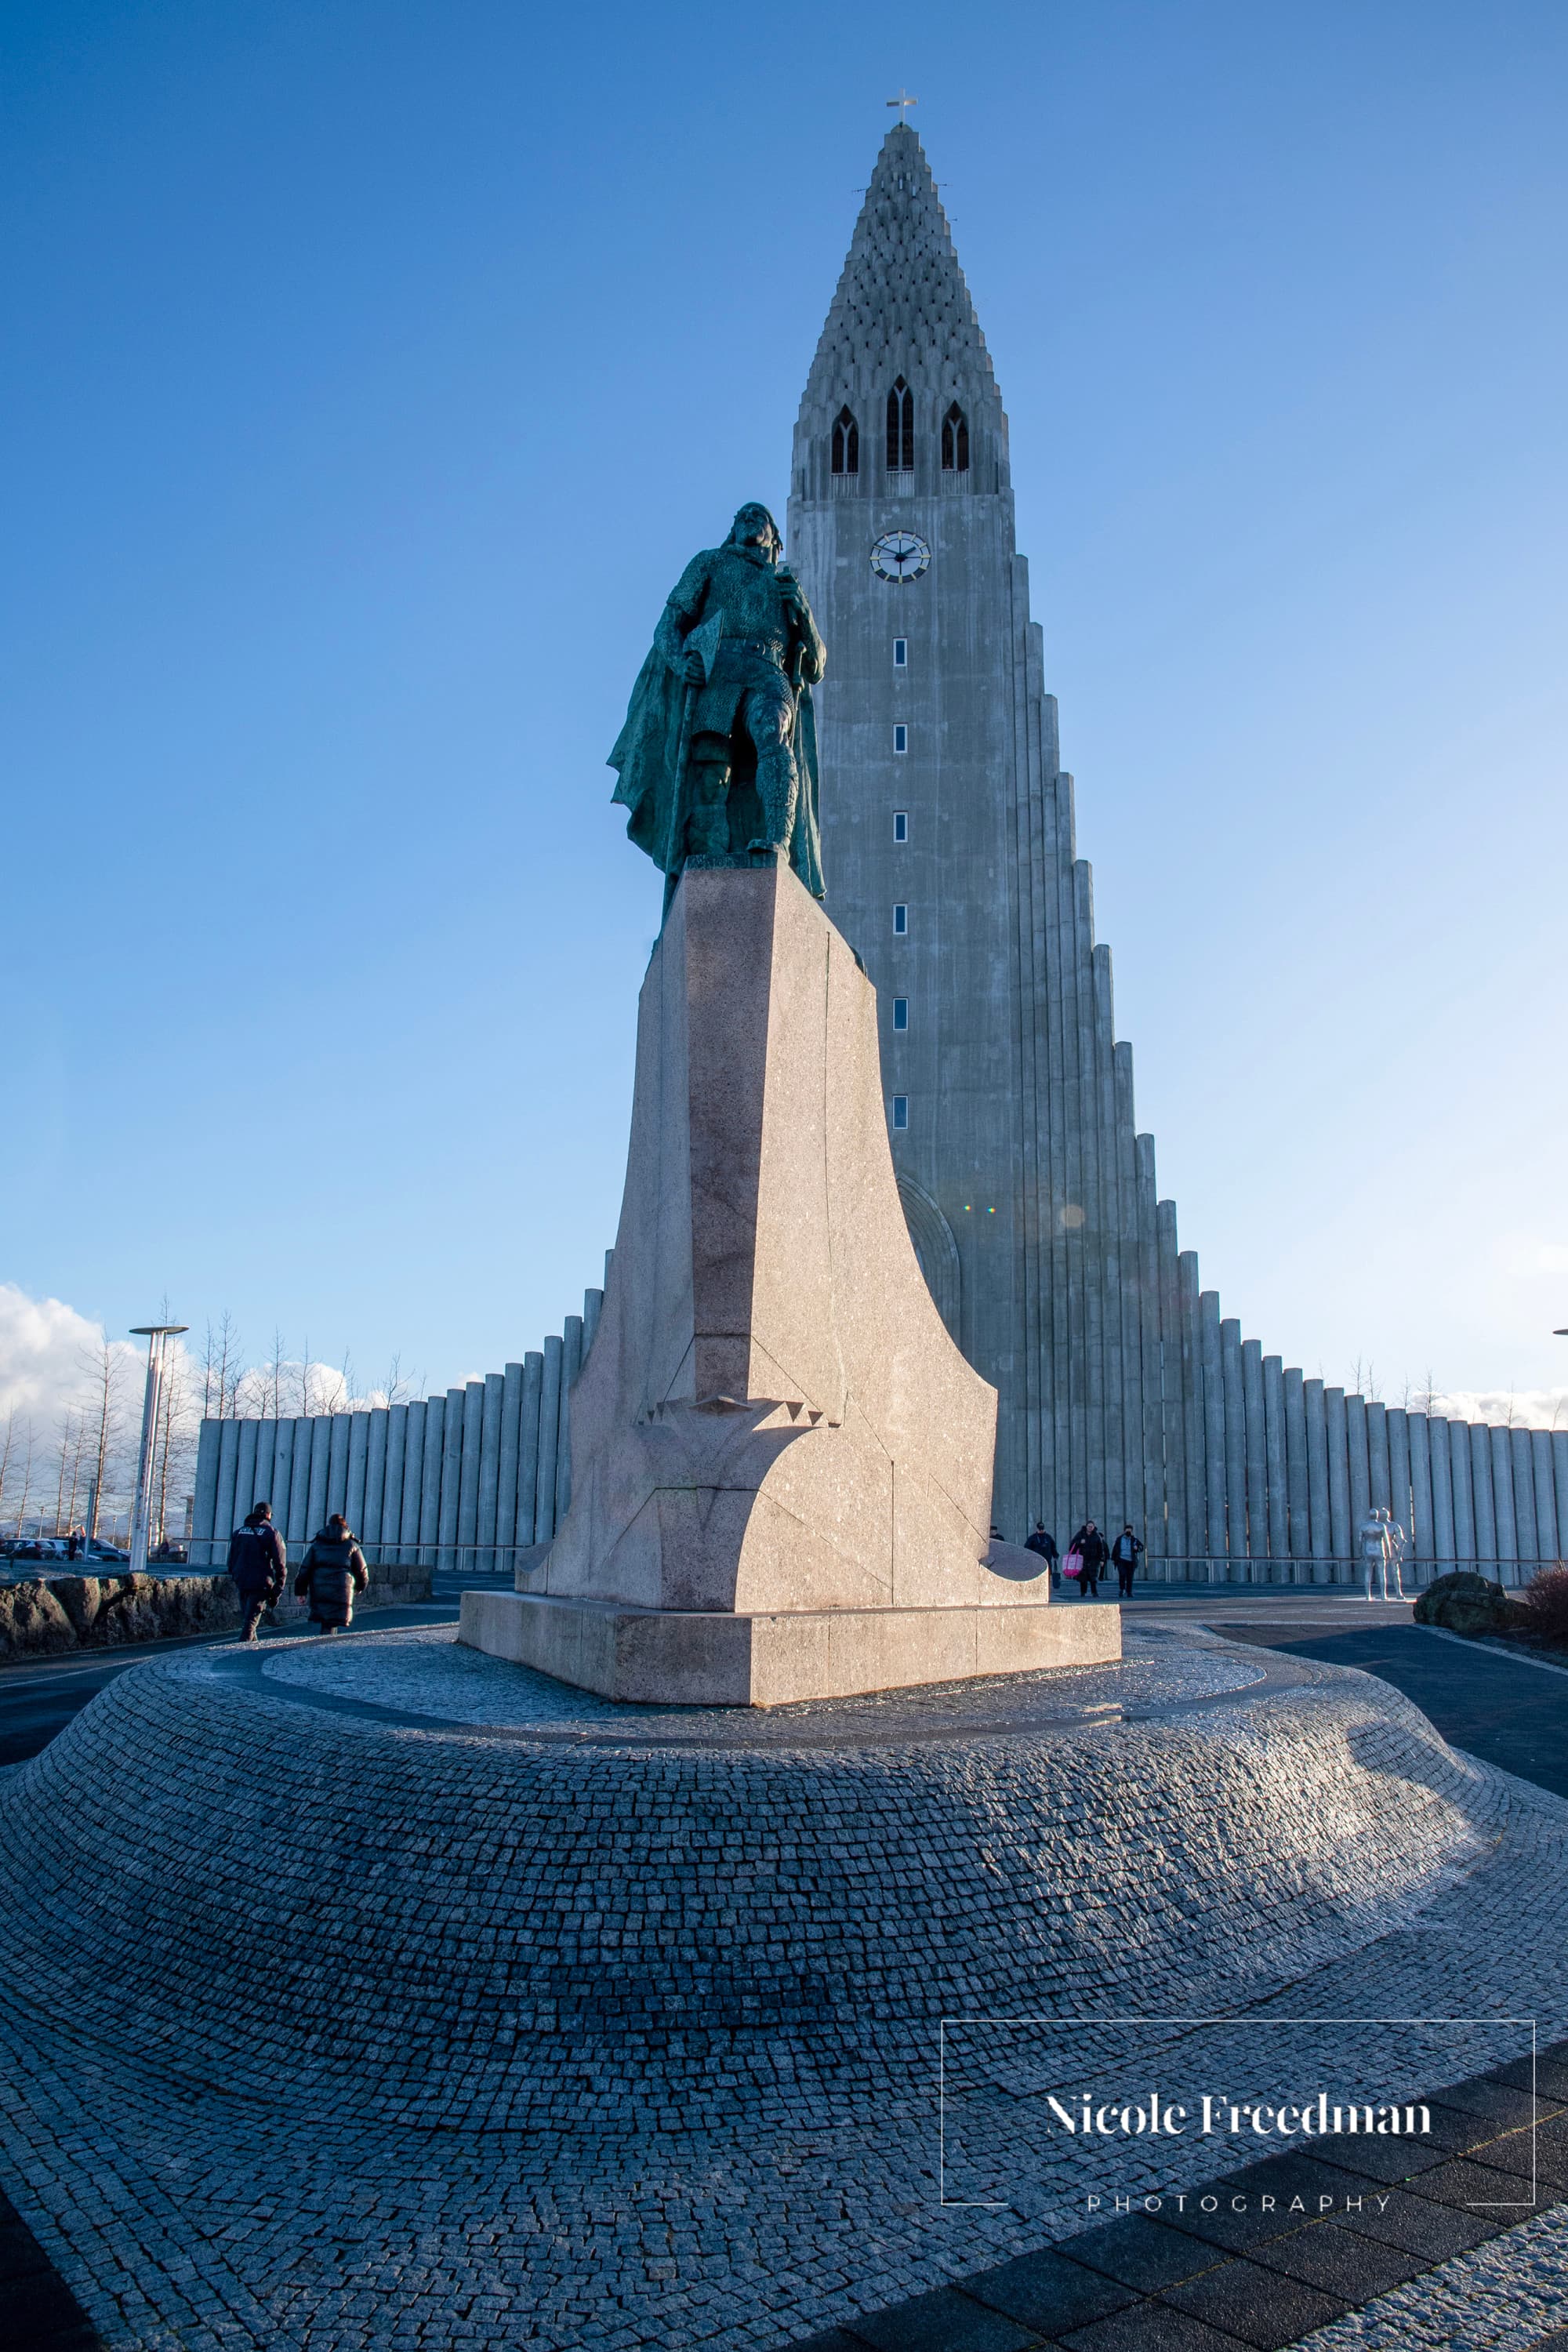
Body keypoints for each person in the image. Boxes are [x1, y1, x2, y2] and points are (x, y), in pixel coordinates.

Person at [609, 503, 827, 915]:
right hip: (718, 675)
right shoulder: (709, 563)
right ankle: (706, 863)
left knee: (772, 734)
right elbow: (667, 627)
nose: (748, 519)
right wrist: (681, 661)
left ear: (774, 537)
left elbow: (816, 662)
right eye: (742, 516)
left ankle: (778, 841)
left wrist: (802, 610)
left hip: (768, 673)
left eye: (758, 516)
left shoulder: (785, 584)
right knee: (711, 775)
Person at [296, 1513, 368, 1635]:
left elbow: (304, 1570)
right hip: (341, 1589)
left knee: (327, 1620)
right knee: (333, 1620)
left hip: (320, 1588)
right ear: (345, 1526)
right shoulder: (352, 1545)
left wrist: (300, 1592)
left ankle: (325, 1641)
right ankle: (326, 1646)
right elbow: (362, 1570)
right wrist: (360, 1587)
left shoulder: (317, 1545)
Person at [227, 1501, 286, 1642]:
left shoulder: (239, 1532)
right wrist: (279, 1587)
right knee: (250, 1623)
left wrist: (235, 1575)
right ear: (268, 1515)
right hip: (260, 1582)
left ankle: (252, 1651)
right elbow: (280, 1563)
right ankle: (239, 1656)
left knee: (249, 1619)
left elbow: (231, 1559)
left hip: (242, 1580)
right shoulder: (271, 1533)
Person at [1070, 1520, 1109, 1599]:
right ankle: (1083, 1592)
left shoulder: (1097, 1536)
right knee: (1083, 1578)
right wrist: (1080, 1542)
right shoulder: (1080, 1534)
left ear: (1094, 1527)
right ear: (1086, 1526)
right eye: (1089, 1526)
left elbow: (1101, 1549)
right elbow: (1073, 1545)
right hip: (1082, 1559)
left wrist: (1102, 1559)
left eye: (1092, 1527)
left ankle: (1094, 1592)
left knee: (1093, 1577)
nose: (1090, 1528)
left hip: (1094, 1559)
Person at [1111, 1523, 1145, 1598]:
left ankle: (1129, 1591)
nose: (1128, 1533)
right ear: (1124, 1531)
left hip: (1131, 1561)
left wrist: (1137, 1548)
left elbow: (1142, 1547)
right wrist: (1113, 1559)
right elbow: (1115, 1549)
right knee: (1122, 1574)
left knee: (1130, 1577)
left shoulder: (1134, 1540)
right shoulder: (1119, 1539)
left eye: (1130, 1532)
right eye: (1127, 1532)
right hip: (1121, 1560)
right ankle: (1122, 1589)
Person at [1025, 1522, 1059, 1588]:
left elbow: (1053, 1547)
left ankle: (1045, 1587)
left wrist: (1055, 1555)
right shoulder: (1033, 1538)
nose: (1041, 1530)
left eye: (1042, 1529)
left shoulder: (1048, 1537)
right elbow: (1027, 1548)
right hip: (1036, 1561)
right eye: (1040, 1529)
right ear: (1037, 1529)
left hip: (1047, 1560)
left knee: (1047, 1575)